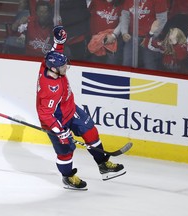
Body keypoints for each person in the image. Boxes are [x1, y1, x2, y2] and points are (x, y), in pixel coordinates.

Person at [36, 25, 125, 190]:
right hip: (56, 121)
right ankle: (68, 177)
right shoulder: (50, 89)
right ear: (53, 69)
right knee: (66, 150)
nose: (66, 68)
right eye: (63, 67)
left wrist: (59, 41)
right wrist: (60, 132)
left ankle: (103, 164)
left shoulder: (48, 63)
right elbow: (45, 114)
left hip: (70, 109)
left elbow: (56, 52)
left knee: (90, 130)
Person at [115, 0, 168, 70]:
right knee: (127, 64)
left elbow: (162, 19)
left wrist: (150, 36)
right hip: (132, 36)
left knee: (150, 66)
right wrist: (124, 32)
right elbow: (125, 15)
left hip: (150, 38)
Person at [87, 0, 124, 65]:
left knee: (112, 68)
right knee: (95, 67)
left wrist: (114, 35)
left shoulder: (121, 4)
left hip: (112, 41)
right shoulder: (95, 2)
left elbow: (123, 21)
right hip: (96, 41)